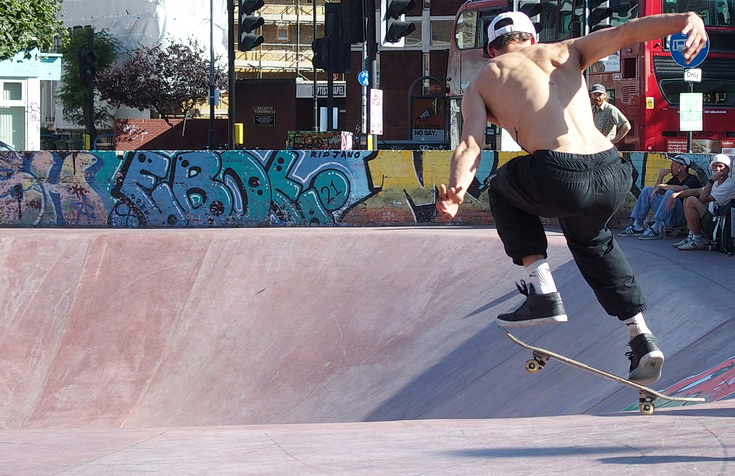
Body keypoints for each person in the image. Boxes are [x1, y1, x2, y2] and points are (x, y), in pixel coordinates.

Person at [435, 11, 707, 385]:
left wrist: (457, 191)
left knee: (501, 187)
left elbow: (470, 143)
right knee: (594, 241)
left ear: (489, 49)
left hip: (559, 174)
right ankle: (641, 336)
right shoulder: (567, 49)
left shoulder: (486, 76)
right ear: (533, 38)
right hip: (612, 172)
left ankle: (542, 290)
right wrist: (686, 19)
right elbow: (627, 32)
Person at [618, 155, 701, 239]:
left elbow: (683, 189)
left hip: (679, 218)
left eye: (673, 164)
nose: (671, 167)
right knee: (647, 190)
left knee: (670, 193)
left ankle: (656, 227)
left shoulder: (692, 179)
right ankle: (637, 225)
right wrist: (660, 178)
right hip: (667, 216)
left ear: (682, 167)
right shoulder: (674, 180)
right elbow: (655, 192)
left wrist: (663, 186)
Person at [669, 154, 735, 250]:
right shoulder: (716, 183)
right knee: (688, 198)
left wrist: (711, 180)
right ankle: (691, 236)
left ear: (727, 169)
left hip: (719, 226)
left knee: (691, 200)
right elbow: (697, 191)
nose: (717, 169)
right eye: (715, 166)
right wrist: (676, 195)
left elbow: (703, 199)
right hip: (712, 221)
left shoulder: (728, 185)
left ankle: (697, 240)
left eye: (720, 166)